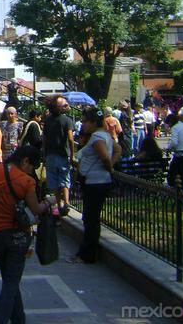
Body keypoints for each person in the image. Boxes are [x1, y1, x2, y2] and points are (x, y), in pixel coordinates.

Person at [0, 144, 55, 324]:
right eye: (32, 166)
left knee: (10, 278)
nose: (31, 170)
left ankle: (19, 319)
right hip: (17, 237)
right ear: (25, 161)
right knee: (11, 282)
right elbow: (36, 208)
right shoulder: (26, 181)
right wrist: (49, 202)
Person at [68, 108, 120, 264]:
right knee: (90, 218)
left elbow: (104, 156)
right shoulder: (105, 136)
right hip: (96, 181)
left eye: (84, 121)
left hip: (95, 182)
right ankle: (86, 252)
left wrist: (109, 167)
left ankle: (88, 254)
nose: (82, 124)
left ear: (92, 122)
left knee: (91, 219)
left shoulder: (97, 137)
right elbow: (118, 150)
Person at [43, 95, 75, 215]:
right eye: (65, 105)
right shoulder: (67, 120)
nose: (67, 106)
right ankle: (66, 202)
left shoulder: (48, 120)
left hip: (50, 155)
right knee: (64, 180)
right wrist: (72, 155)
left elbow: (44, 139)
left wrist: (44, 154)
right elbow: (71, 139)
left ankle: (58, 204)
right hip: (63, 154)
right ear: (59, 108)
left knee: (54, 181)